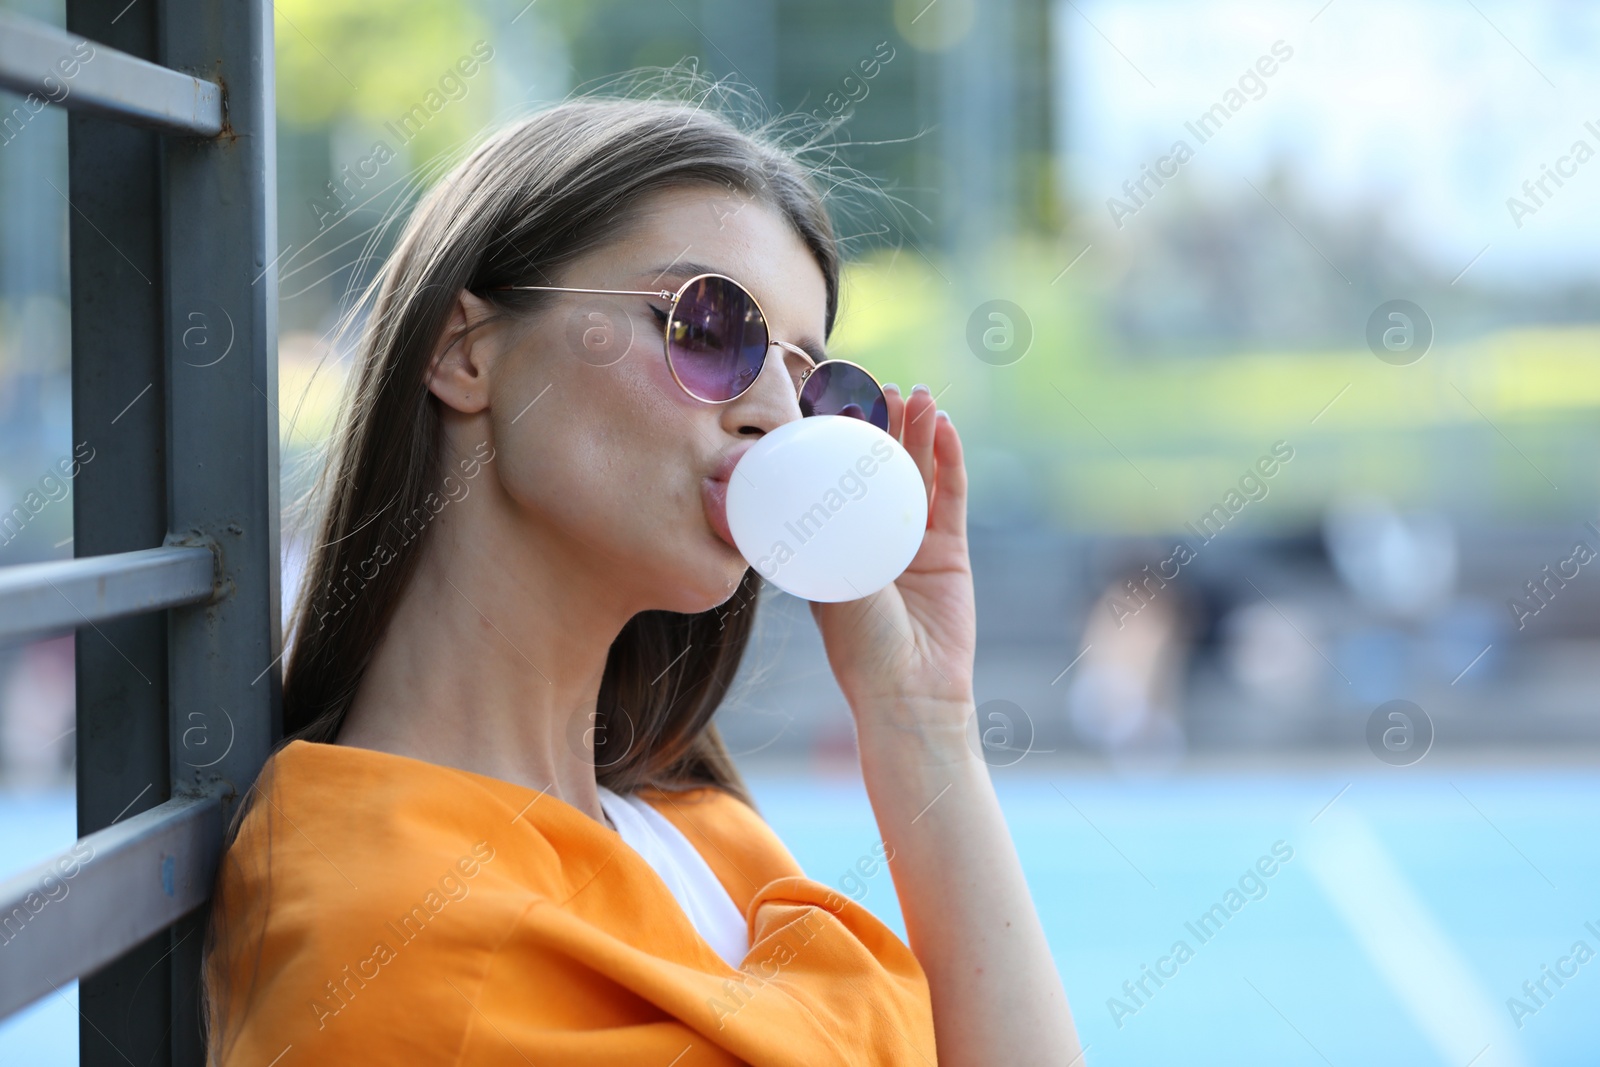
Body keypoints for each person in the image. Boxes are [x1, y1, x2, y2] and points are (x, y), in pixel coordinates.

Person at [202, 80, 1080, 1066]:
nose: (779, 419)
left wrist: (920, 718)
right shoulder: (388, 925)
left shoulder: (701, 835)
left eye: (814, 382)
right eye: (707, 328)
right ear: (465, 351)